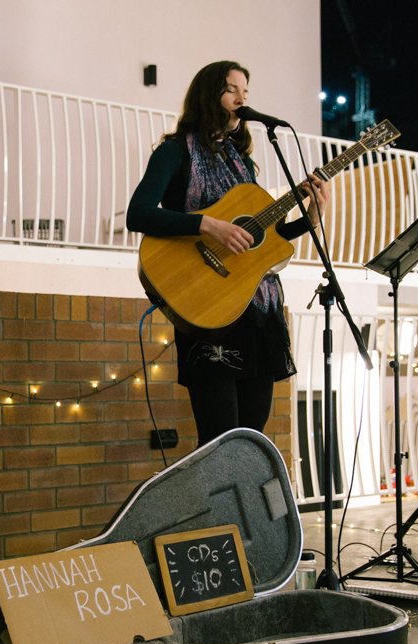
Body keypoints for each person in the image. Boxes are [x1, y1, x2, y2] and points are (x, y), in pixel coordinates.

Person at [125, 60, 329, 446]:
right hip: (209, 310)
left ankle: (243, 509)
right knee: (220, 441)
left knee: (252, 440)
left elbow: (266, 238)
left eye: (246, 92)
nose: (242, 99)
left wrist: (313, 216)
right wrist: (207, 224)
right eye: (232, 89)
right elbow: (139, 213)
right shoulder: (175, 152)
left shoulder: (242, 164)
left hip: (257, 314)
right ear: (209, 95)